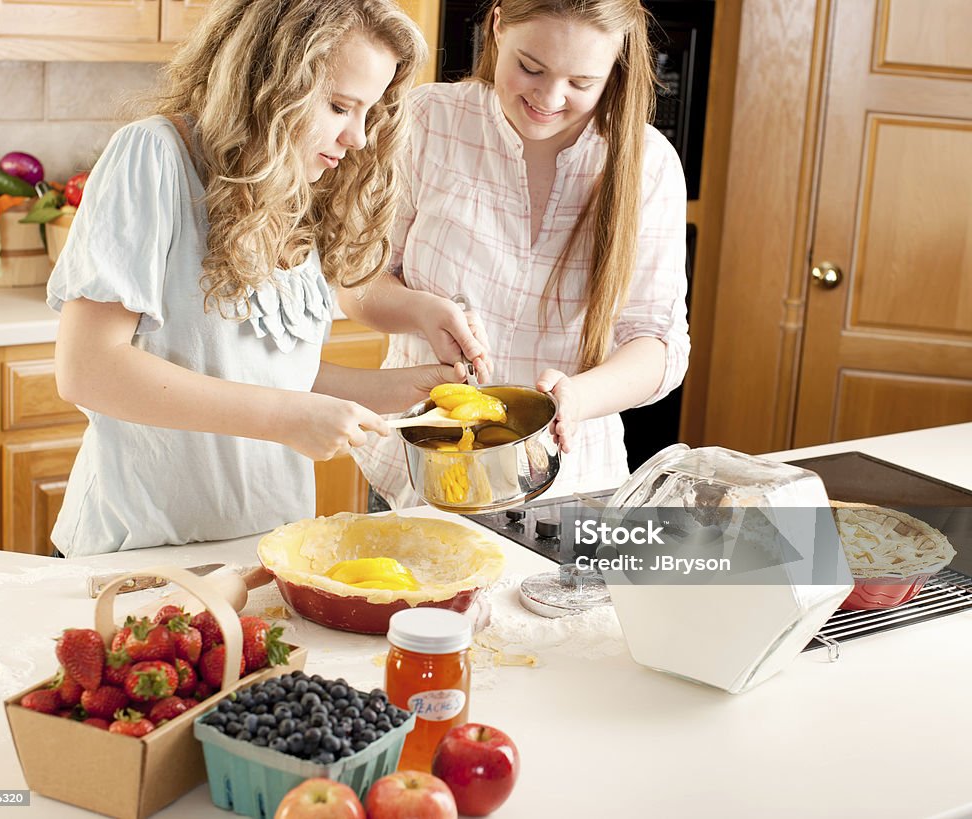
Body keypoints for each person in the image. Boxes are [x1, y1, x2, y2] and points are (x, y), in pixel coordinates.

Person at [47, 0, 461, 556]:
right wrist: (287, 418)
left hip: (265, 551)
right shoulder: (155, 154)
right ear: (270, 81)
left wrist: (416, 391)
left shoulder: (295, 184)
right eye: (339, 106)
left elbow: (272, 374)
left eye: (368, 112)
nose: (358, 138)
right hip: (140, 551)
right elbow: (88, 370)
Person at [340, 0, 690, 509]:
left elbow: (659, 345)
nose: (549, 98)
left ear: (616, 63)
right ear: (499, 26)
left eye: (582, 82)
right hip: (417, 476)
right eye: (531, 67)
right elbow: (356, 282)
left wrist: (575, 399)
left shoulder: (648, 163)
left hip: (573, 487)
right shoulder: (427, 121)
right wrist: (421, 311)